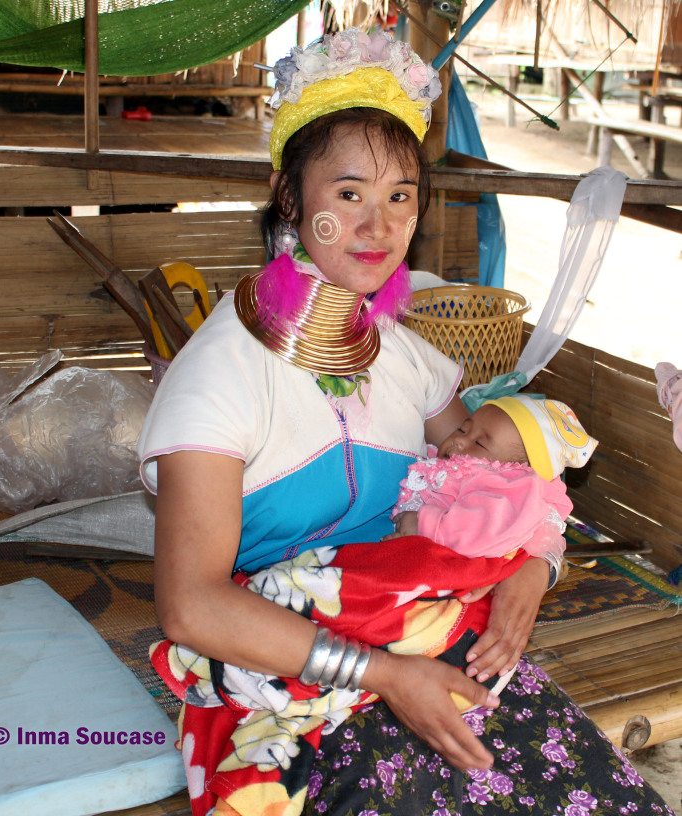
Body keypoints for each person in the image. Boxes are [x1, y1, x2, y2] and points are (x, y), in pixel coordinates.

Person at [139, 28, 675, 816]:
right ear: (292, 199)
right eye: (348, 193)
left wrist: (536, 566)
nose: (378, 225)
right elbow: (190, 605)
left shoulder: (403, 356)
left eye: (400, 197)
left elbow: (497, 479)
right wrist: (384, 676)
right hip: (286, 671)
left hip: (424, 631)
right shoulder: (221, 375)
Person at [386, 395, 597, 569]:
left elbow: (478, 528)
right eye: (463, 429)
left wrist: (423, 524)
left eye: (479, 443)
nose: (460, 440)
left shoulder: (502, 490)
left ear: (513, 472)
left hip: (453, 574)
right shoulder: (445, 469)